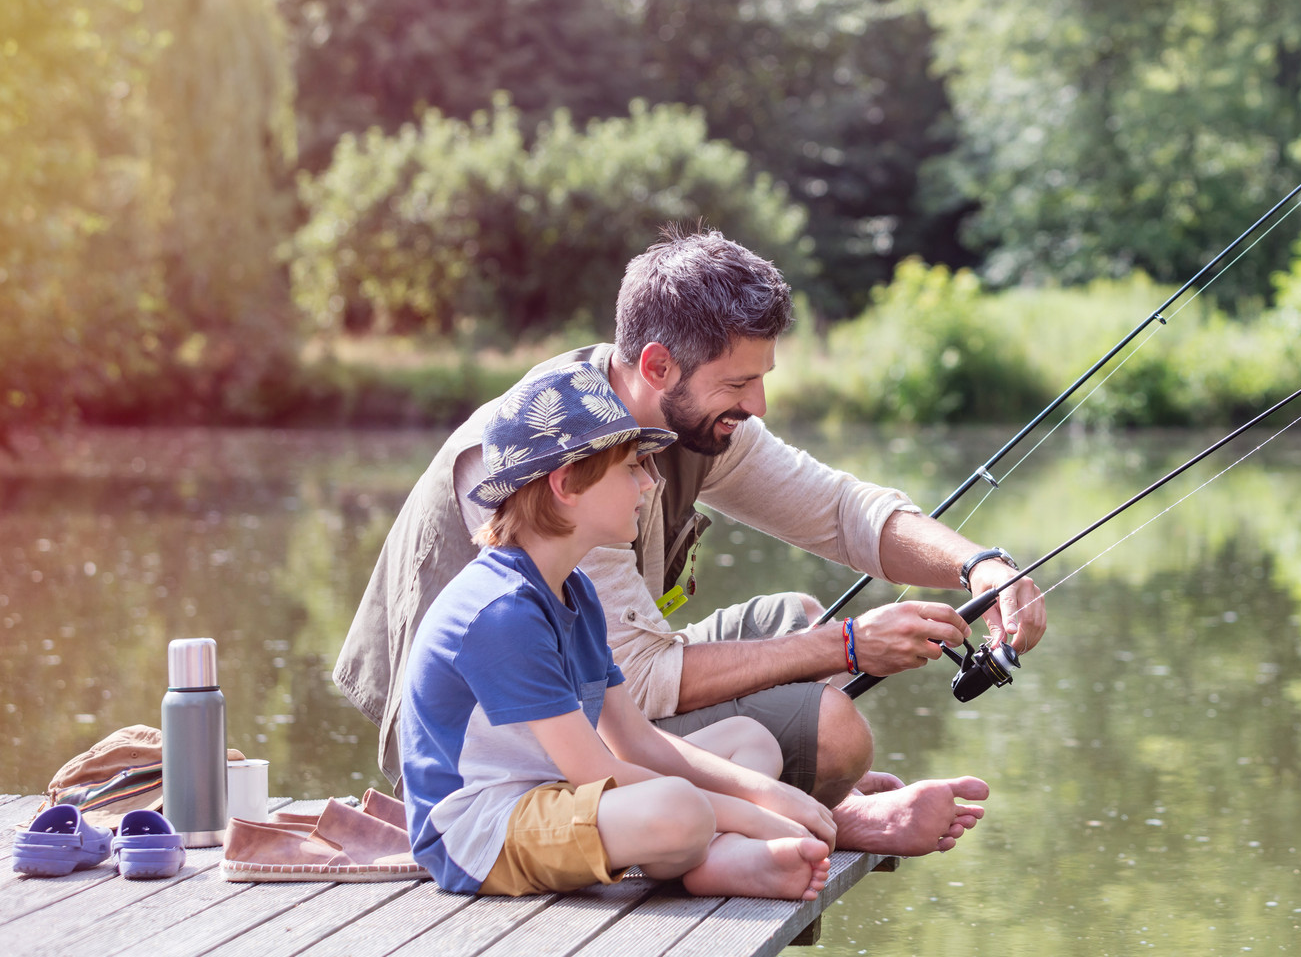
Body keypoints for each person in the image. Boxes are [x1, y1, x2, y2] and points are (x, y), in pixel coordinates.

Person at [338, 228, 1050, 857]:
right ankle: (835, 816)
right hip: (503, 762)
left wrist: (979, 565)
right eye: (740, 382)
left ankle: (812, 810)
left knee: (796, 619)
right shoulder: (562, 461)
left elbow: (837, 510)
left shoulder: (685, 422)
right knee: (832, 726)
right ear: (656, 366)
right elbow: (635, 685)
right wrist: (851, 647)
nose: (758, 406)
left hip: (606, 709)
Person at [401, 360, 837, 898]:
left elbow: (634, 740)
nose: (650, 481)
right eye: (631, 467)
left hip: (556, 798)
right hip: (482, 833)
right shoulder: (501, 613)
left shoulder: (574, 590)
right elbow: (593, 770)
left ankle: (712, 859)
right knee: (679, 807)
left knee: (747, 740)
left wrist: (767, 799)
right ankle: (715, 850)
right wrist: (756, 814)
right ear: (566, 484)